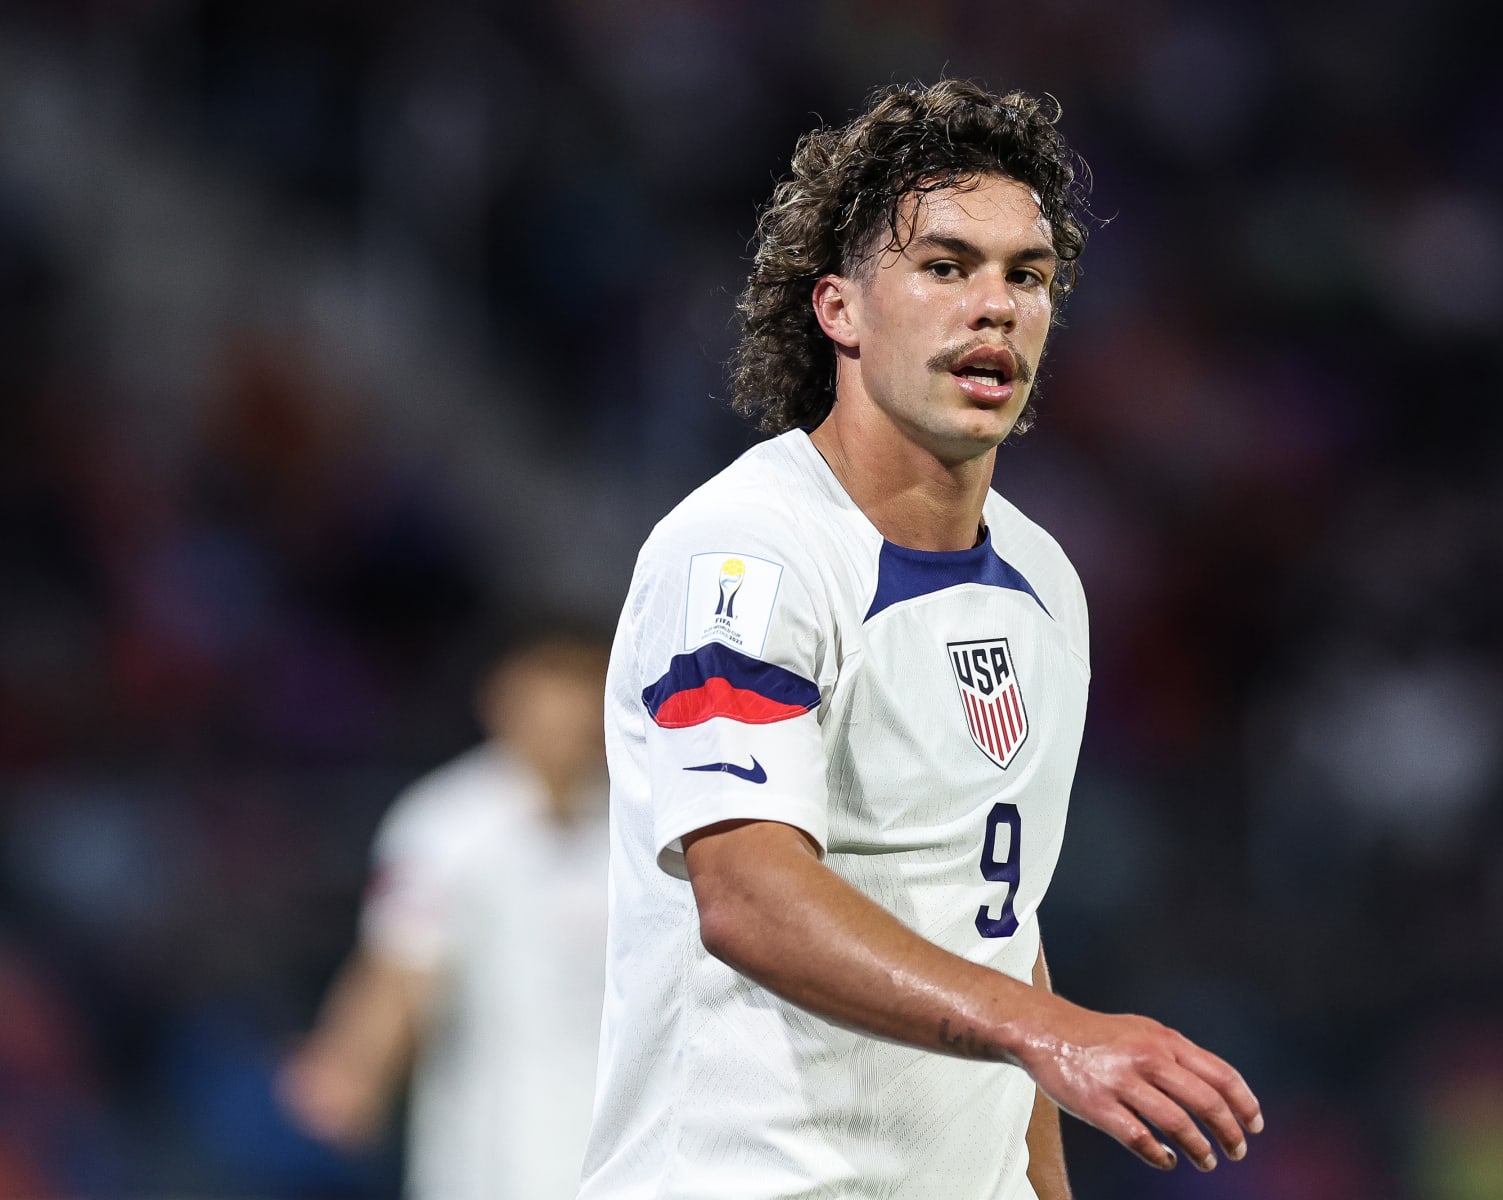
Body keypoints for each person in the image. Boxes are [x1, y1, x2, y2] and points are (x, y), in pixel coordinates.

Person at [580, 80, 1262, 1200]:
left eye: (1026, 276)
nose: (995, 306)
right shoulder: (746, 555)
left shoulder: (1045, 582)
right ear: (839, 310)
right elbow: (746, 894)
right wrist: (1051, 1030)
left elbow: (1001, 912)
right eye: (947, 268)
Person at [280, 630, 612, 1200]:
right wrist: (356, 1064)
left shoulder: (643, 823)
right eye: (552, 690)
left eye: (585, 689)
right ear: (504, 700)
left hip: (626, 1164)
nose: (569, 715)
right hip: (489, 1166)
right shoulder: (444, 826)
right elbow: (400, 965)